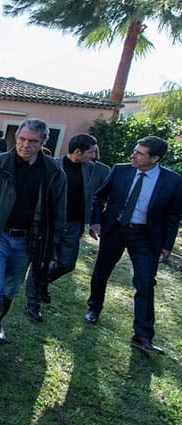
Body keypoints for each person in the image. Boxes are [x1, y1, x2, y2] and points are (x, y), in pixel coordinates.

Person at [0, 118, 66, 370]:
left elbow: (59, 212)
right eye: (21, 139)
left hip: (29, 240)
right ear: (16, 137)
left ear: (44, 141)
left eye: (32, 141)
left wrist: (53, 245)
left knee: (9, 289)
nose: (25, 145)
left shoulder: (53, 172)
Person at [85, 136, 182, 355]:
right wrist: (97, 221)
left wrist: (167, 246)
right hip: (115, 229)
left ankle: (143, 335)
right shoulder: (120, 170)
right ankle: (94, 308)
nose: (133, 155)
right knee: (101, 272)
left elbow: (173, 216)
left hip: (146, 237)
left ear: (155, 159)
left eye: (139, 153)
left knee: (145, 282)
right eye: (135, 150)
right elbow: (99, 197)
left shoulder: (173, 181)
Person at [24, 134, 103, 321]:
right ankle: (33, 303)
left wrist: (94, 221)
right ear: (78, 152)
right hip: (50, 223)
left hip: (74, 225)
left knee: (67, 263)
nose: (93, 156)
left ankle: (44, 281)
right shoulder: (53, 166)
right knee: (41, 262)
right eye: (91, 152)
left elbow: (97, 197)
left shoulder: (92, 170)